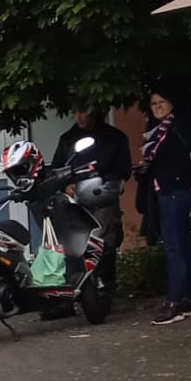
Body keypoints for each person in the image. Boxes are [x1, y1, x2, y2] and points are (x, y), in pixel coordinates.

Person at [135, 88, 191, 324]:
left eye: (162, 101)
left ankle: (174, 303)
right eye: (153, 103)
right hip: (163, 192)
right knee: (185, 247)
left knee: (174, 249)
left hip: (176, 193)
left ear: (172, 103)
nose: (157, 106)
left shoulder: (181, 126)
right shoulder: (155, 131)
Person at [54, 102, 133, 291]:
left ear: (94, 111)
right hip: (75, 202)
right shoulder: (67, 139)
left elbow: (123, 169)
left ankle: (105, 289)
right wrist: (66, 185)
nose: (78, 117)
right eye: (75, 112)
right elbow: (57, 168)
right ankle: (75, 291)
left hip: (103, 198)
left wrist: (107, 185)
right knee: (74, 244)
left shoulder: (114, 137)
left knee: (104, 242)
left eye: (83, 111)